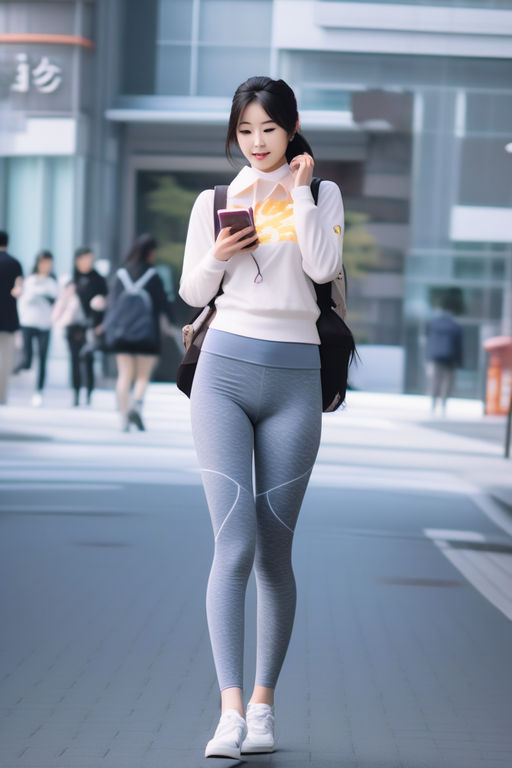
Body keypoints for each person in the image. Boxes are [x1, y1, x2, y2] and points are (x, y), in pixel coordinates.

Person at [179, 76, 344, 759]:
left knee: (275, 550)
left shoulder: (322, 193)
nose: (257, 143)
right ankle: (227, 713)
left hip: (294, 375)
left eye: (269, 130)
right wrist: (217, 258)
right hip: (223, 370)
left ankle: (263, 707)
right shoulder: (217, 199)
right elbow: (190, 291)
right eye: (245, 131)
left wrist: (300, 195)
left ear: (291, 126)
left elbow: (325, 265)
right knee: (233, 544)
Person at [106, 233, 175, 432]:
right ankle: (136, 405)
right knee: (143, 376)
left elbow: (112, 305)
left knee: (124, 374)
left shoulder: (121, 274)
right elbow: (164, 303)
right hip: (148, 334)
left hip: (123, 334)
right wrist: (171, 322)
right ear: (151, 253)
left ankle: (124, 416)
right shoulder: (153, 276)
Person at [57, 247, 107, 407]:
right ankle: (76, 393)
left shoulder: (98, 279)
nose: (88, 262)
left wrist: (101, 323)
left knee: (88, 359)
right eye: (85, 259)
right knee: (74, 360)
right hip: (73, 326)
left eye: (90, 259)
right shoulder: (71, 280)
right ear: (77, 260)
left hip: (91, 325)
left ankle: (89, 393)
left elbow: (106, 303)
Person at [15, 250, 58, 406]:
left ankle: (38, 391)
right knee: (27, 359)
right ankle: (13, 372)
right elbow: (24, 299)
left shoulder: (53, 281)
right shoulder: (29, 280)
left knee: (42, 358)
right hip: (28, 322)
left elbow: (56, 299)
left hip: (45, 324)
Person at [426, 300, 463, 415]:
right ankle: (443, 404)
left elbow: (429, 340)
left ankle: (433, 402)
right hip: (450, 359)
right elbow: (459, 345)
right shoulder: (455, 325)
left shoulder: (434, 323)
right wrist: (460, 362)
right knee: (447, 381)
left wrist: (429, 357)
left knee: (435, 380)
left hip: (436, 357)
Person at [0, 230, 23, 405]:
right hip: (8, 317)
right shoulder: (15, 263)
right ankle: (1, 395)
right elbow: (19, 290)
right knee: (5, 359)